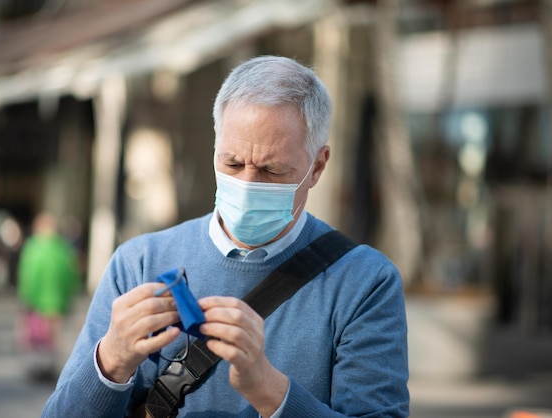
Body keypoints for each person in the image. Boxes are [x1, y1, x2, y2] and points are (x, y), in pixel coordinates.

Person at [42, 55, 409, 417]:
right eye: (232, 163)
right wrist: (111, 362)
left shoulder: (364, 282)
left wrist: (269, 389)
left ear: (318, 166)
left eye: (272, 170)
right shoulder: (138, 263)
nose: (247, 184)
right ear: (214, 144)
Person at [17, 212, 81, 378]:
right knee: (53, 335)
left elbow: (27, 275)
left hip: (37, 300)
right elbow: (71, 276)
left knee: (35, 334)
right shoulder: (63, 249)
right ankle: (49, 365)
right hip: (57, 300)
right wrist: (68, 297)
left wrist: (26, 296)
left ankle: (36, 365)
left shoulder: (32, 248)